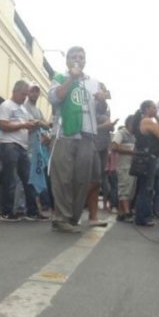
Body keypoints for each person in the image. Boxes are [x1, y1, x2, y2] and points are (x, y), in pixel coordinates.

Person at [48, 46, 106, 232]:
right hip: (64, 133)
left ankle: (73, 217)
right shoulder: (59, 78)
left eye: (81, 57)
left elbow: (101, 111)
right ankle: (62, 218)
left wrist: (102, 100)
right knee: (62, 178)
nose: (77, 59)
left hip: (87, 135)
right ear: (67, 61)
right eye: (73, 56)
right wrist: (72, 78)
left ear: (85, 61)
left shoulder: (94, 82)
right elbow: (55, 98)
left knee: (82, 179)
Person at [0, 80, 45, 222]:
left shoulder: (23, 109)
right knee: (10, 179)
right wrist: (24, 124)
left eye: (26, 94)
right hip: (9, 144)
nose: (25, 97)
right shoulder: (6, 105)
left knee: (27, 179)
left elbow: (30, 122)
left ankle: (32, 211)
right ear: (15, 91)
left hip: (23, 146)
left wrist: (40, 123)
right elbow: (3, 126)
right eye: (23, 94)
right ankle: (7, 211)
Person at [130, 100, 159, 226]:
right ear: (146, 109)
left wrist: (156, 115)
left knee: (144, 187)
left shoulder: (144, 121)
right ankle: (143, 217)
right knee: (147, 188)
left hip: (143, 158)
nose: (155, 110)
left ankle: (141, 215)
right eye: (153, 108)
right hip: (149, 158)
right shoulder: (147, 121)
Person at [24, 82, 51, 215]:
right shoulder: (24, 107)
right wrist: (41, 123)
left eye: (37, 91)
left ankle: (34, 208)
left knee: (36, 178)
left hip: (37, 150)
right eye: (32, 91)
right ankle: (26, 208)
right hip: (26, 147)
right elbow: (31, 124)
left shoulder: (38, 110)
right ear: (27, 92)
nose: (34, 94)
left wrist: (46, 135)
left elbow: (46, 126)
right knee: (28, 178)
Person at [111, 116, 136, 222]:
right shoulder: (121, 133)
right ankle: (126, 212)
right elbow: (114, 146)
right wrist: (130, 150)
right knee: (124, 189)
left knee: (130, 190)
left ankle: (121, 212)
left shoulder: (135, 135)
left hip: (132, 166)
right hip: (124, 166)